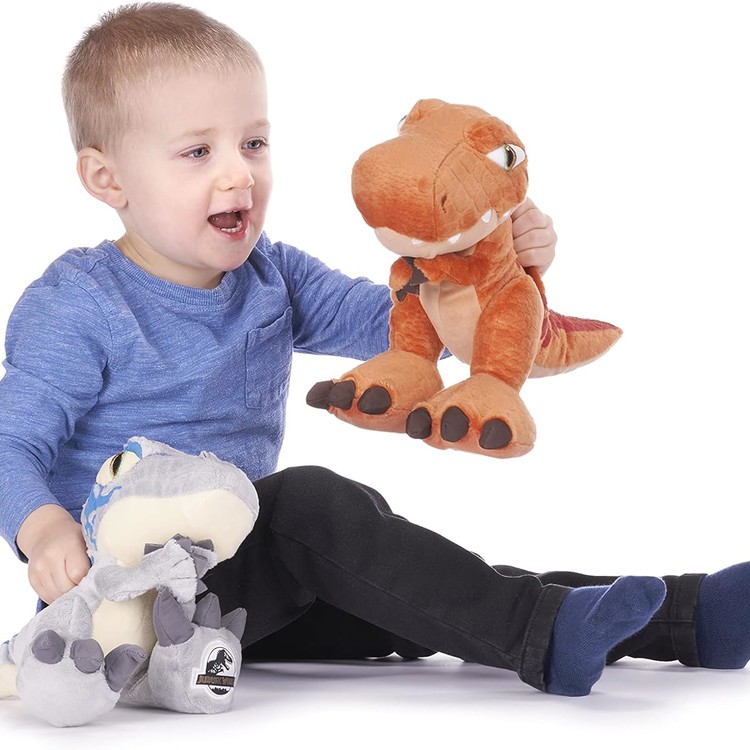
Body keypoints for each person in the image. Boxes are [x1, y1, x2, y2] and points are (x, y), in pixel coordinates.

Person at [0, 2, 747, 699]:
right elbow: (11, 445)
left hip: (241, 586)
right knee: (307, 506)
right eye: (197, 151)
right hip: (126, 603)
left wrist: (492, 263)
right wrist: (43, 529)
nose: (240, 173)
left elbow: (411, 327)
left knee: (416, 580)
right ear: (107, 178)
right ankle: (545, 638)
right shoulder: (77, 305)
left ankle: (683, 618)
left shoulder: (271, 275)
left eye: (254, 143)